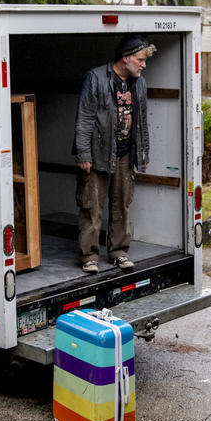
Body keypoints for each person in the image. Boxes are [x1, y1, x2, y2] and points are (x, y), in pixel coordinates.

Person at [72, 36, 155, 273]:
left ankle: (119, 252)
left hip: (125, 155)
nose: (143, 64)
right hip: (97, 154)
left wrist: (143, 153)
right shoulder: (96, 78)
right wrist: (83, 154)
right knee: (91, 206)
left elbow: (142, 121)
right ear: (125, 58)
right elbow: (84, 118)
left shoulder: (139, 83)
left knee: (122, 205)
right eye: (140, 59)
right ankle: (89, 256)